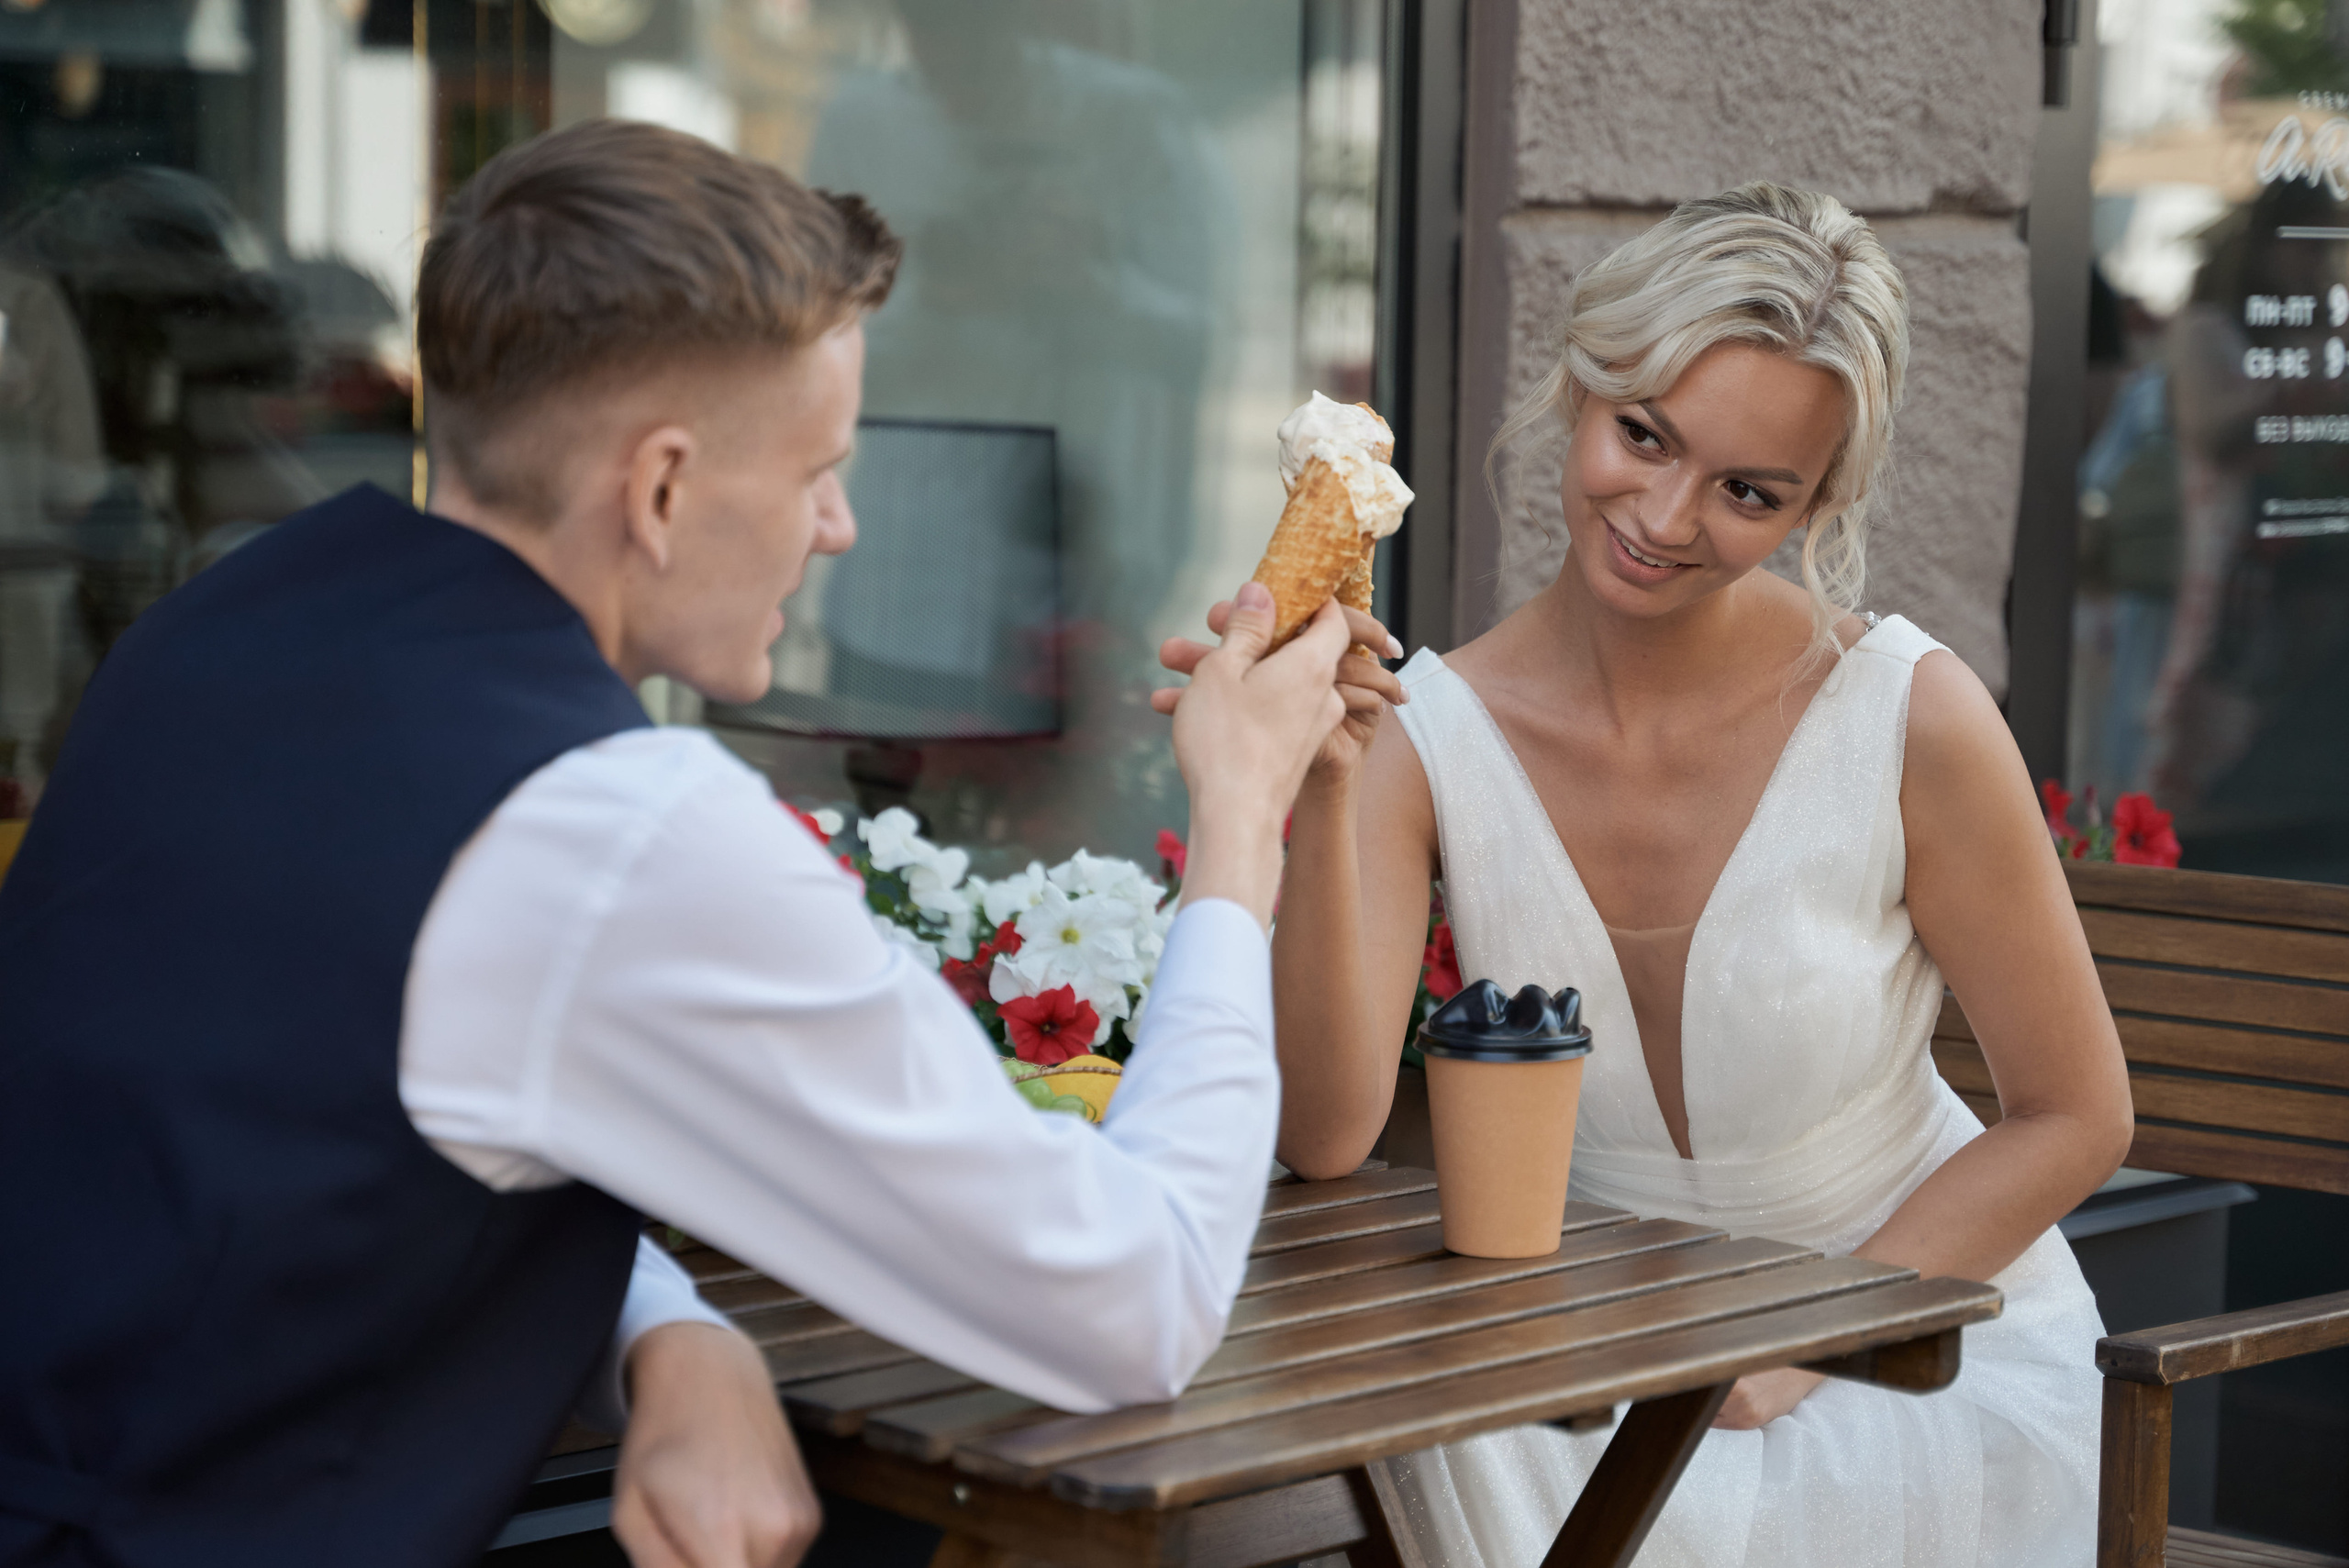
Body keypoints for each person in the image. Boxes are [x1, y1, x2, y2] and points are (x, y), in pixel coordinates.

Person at [0, 120, 1388, 1568]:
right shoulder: (616, 826)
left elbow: (347, 1124)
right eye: (818, 469)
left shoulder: (218, 624)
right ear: (660, 490)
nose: (841, 526)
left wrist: (672, 1332)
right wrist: (1240, 821)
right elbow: (1137, 1300)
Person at [1235, 184, 2134, 1566]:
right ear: (1580, 385)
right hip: (1597, 1356)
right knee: (1431, 1432)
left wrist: (1809, 1338)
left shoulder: (1909, 716)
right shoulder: (1424, 733)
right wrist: (1318, 778)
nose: (1661, 515)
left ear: (1815, 503)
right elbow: (1329, 1135)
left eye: (1747, 490)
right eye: (1641, 434)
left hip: (1910, 1350)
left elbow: (2077, 1113)